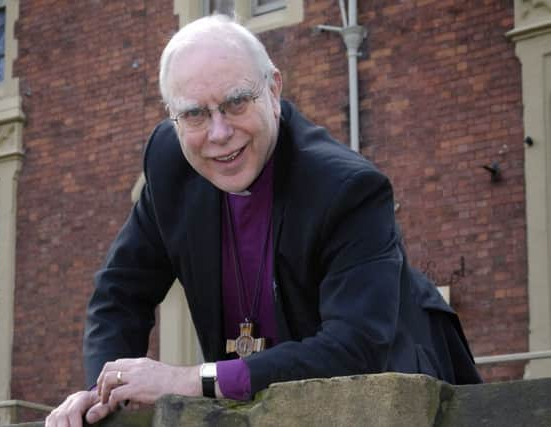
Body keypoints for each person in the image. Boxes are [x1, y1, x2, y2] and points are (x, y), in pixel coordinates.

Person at [46, 14, 481, 427]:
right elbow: (120, 291)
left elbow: (354, 348)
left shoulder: (347, 188)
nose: (218, 133)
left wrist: (189, 380)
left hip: (392, 396)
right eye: (195, 114)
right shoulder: (169, 162)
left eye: (236, 103)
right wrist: (101, 391)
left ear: (273, 90)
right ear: (172, 116)